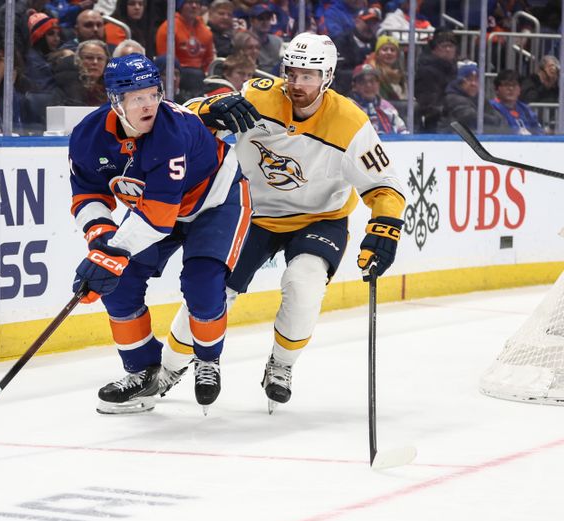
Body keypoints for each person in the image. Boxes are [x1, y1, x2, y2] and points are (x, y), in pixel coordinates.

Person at [159, 33, 406, 414]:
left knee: (303, 284)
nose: (297, 84)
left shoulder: (350, 122)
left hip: (320, 218)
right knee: (212, 293)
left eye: (308, 76)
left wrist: (385, 226)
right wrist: (208, 111)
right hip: (250, 213)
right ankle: (169, 368)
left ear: (327, 77)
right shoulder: (258, 97)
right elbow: (185, 116)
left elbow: (384, 184)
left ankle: (281, 364)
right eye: (292, 73)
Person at [68, 53, 254, 415]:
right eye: (136, 97)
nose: (148, 104)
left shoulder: (172, 131)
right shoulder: (87, 136)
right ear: (115, 101)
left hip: (215, 202)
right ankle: (144, 373)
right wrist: (99, 241)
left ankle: (208, 360)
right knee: (118, 284)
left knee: (203, 284)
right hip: (157, 212)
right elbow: (88, 194)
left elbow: (157, 218)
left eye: (153, 93)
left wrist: (110, 256)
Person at [438, 61, 506, 134]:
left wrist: (497, 120)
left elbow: (499, 117)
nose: (473, 84)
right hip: (451, 140)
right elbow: (470, 117)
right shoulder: (453, 98)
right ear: (459, 82)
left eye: (476, 80)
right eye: (469, 79)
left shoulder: (479, 98)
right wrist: (495, 121)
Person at [349, 63, 407, 134]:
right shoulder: (348, 107)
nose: (368, 85)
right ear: (354, 86)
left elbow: (402, 132)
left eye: (372, 81)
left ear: (378, 83)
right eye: (362, 81)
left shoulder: (386, 107)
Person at [489, 69, 544, 135]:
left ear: (519, 89)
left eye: (514, 85)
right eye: (506, 85)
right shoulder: (491, 108)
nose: (511, 88)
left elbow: (537, 130)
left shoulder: (525, 109)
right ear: (497, 89)